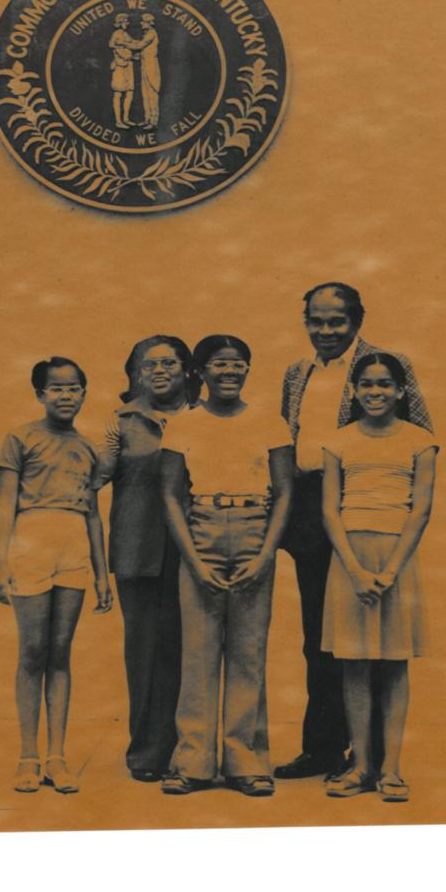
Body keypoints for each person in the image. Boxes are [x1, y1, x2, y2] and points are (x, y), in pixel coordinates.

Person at [275, 282, 432, 780]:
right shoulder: (296, 373)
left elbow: (419, 432)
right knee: (320, 637)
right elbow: (286, 439)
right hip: (310, 508)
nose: (325, 331)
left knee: (378, 641)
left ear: (357, 320)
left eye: (336, 321)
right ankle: (324, 749)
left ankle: (377, 760)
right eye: (315, 322)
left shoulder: (385, 366)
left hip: (368, 512)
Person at [159, 335, 294, 797]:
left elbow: (286, 491)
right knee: (198, 654)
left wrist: (265, 554)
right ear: (202, 371)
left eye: (239, 364)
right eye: (219, 364)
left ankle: (247, 762)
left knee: (247, 653)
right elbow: (171, 495)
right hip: (203, 532)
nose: (230, 372)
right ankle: (193, 763)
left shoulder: (269, 422)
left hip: (256, 530)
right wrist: (193, 560)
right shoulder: (184, 425)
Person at [321, 353, 438, 801]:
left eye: (385, 385)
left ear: (401, 391)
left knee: (393, 662)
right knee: (353, 662)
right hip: (349, 560)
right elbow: (330, 508)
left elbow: (421, 509)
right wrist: (353, 568)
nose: (375, 393)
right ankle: (362, 767)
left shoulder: (420, 441)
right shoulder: (338, 442)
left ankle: (391, 769)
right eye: (366, 385)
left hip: (397, 560)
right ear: (353, 391)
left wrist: (390, 570)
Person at [0, 356, 113, 794]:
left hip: (74, 545)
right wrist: (0, 563)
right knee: (33, 650)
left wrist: (103, 574)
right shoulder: (20, 438)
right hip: (31, 541)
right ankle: (27, 755)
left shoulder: (89, 446)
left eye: (74, 388)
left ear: (84, 392)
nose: (66, 396)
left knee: (60, 651)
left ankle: (56, 757)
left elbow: (94, 515)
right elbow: (6, 505)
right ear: (40, 394)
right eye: (56, 388)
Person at [96, 335, 194, 783]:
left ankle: (194, 750)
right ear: (134, 371)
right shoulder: (118, 421)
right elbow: (93, 477)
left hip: (196, 545)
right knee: (145, 651)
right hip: (138, 548)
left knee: (190, 648)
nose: (160, 371)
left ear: (187, 370)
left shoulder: (204, 415)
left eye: (170, 363)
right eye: (148, 364)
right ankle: (148, 753)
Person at [138, 13, 161, 128]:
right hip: (144, 66)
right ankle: (147, 119)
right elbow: (142, 51)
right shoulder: (146, 34)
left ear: (148, 23)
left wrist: (121, 42)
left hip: (151, 66)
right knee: (145, 94)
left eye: (143, 22)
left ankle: (154, 121)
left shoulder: (151, 34)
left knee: (152, 93)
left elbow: (139, 46)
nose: (141, 23)